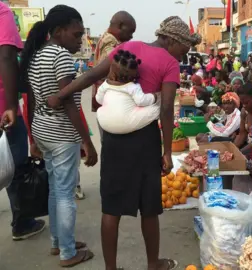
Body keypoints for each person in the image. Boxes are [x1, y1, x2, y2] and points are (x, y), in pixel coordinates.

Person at [47, 16, 200, 270]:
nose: (184, 55)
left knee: (112, 208)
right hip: (144, 140)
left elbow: (91, 76)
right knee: (149, 207)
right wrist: (166, 152)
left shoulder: (129, 48)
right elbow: (165, 110)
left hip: (115, 142)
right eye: (184, 49)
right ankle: (154, 263)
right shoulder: (169, 64)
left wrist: (60, 95)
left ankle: (111, 268)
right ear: (172, 40)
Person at [19, 5, 97, 266]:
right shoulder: (60, 56)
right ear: (59, 31)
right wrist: (87, 141)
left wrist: (33, 138)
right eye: (76, 35)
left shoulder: (37, 54)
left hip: (43, 130)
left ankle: (59, 242)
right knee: (65, 193)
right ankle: (67, 252)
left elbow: (30, 100)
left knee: (55, 189)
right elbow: (68, 104)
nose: (79, 40)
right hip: (61, 133)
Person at [0, 1, 46, 241]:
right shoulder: (2, 10)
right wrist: (9, 106)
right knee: (14, 168)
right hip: (2, 109)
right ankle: (22, 223)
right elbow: (6, 55)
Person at [96, 50, 162, 134]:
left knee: (100, 110)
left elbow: (99, 99)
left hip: (104, 122)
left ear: (112, 71)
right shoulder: (133, 87)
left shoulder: (105, 85)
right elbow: (142, 101)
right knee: (155, 110)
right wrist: (154, 96)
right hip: (126, 123)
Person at [92, 11, 136, 134]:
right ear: (120, 26)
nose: (131, 36)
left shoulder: (106, 37)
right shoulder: (110, 40)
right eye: (130, 32)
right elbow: (116, 63)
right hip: (108, 99)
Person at [234, 83, 252, 148]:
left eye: (247, 103)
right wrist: (233, 149)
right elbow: (242, 134)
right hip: (248, 145)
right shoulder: (244, 112)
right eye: (242, 103)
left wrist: (241, 152)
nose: (244, 105)